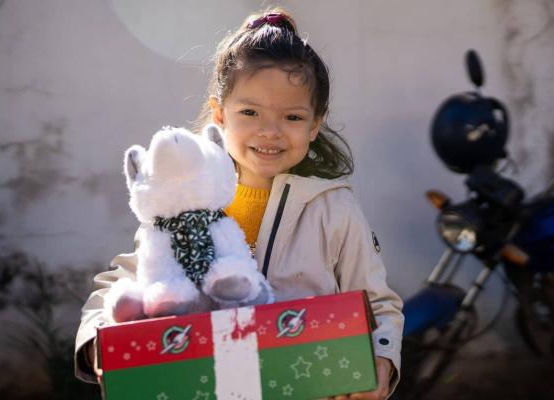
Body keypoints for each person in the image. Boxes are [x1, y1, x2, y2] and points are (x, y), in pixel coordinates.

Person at [74, 8, 403, 399]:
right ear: (219, 114)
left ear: (315, 124)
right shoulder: (183, 198)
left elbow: (378, 303)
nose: (270, 131)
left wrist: (382, 358)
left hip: (310, 386)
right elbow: (126, 280)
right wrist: (99, 339)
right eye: (249, 112)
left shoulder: (333, 208)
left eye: (293, 116)